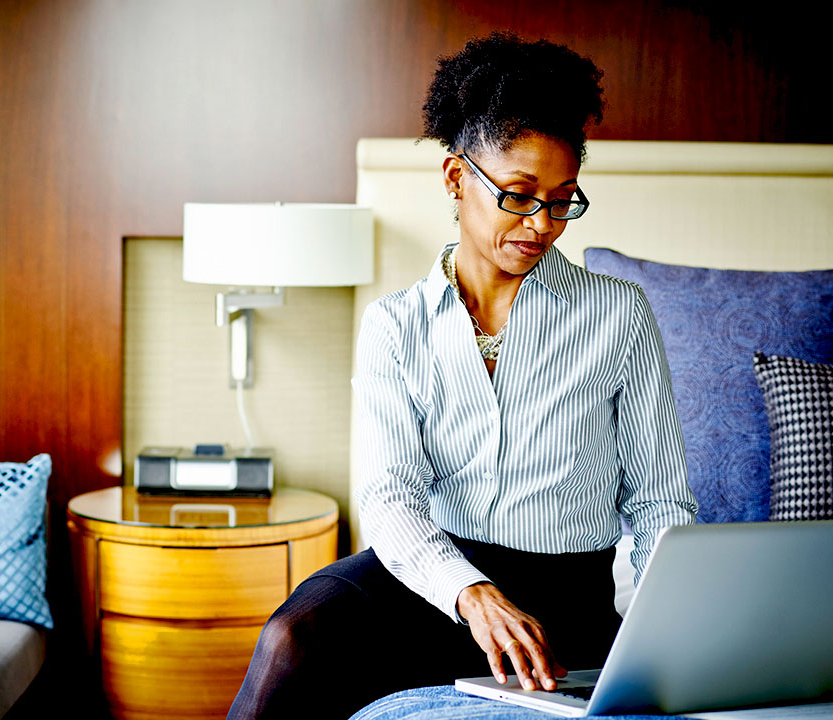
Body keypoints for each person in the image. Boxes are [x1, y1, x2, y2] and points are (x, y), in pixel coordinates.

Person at [226, 33, 698, 720]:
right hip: (431, 584)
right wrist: (469, 593)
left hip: (561, 605)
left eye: (563, 200)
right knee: (293, 636)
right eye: (518, 195)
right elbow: (389, 497)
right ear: (455, 178)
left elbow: (659, 502)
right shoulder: (395, 325)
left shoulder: (618, 315)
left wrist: (667, 624)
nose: (543, 225)